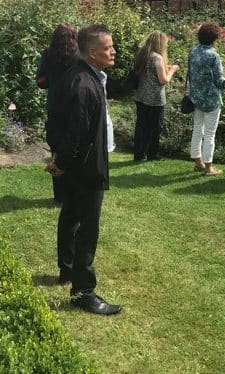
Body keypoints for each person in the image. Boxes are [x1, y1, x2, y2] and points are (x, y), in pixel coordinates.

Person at [47, 24, 122, 315]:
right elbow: (73, 131)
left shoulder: (84, 75)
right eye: (108, 47)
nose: (113, 51)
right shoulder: (83, 82)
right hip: (86, 170)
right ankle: (83, 291)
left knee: (71, 216)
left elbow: (57, 121)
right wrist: (62, 162)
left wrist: (60, 160)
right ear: (92, 53)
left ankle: (67, 270)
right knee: (87, 228)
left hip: (79, 167)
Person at [36, 24, 78, 204]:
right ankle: (73, 192)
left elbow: (40, 82)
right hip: (74, 105)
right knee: (74, 147)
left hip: (54, 107)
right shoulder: (78, 56)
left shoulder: (47, 54)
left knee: (56, 150)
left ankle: (59, 195)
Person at [132, 31, 179, 161]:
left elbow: (149, 71)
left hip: (141, 95)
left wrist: (166, 67)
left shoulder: (142, 54)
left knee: (141, 126)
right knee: (155, 128)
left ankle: (139, 154)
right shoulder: (157, 57)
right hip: (155, 98)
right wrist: (172, 70)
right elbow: (163, 80)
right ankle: (153, 154)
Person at [188, 23, 225, 176]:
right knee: (210, 133)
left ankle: (198, 161)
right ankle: (209, 167)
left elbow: (191, 74)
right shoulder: (213, 55)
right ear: (214, 38)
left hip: (196, 97)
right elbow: (219, 77)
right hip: (211, 99)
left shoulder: (193, 52)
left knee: (198, 129)